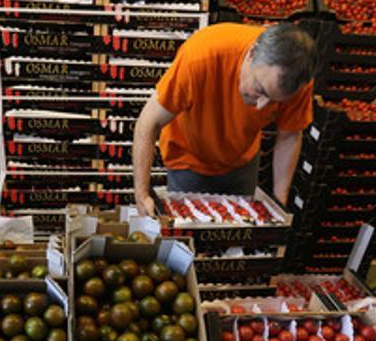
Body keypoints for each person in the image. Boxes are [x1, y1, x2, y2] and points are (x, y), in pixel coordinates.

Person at [133, 22, 317, 217]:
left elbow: (289, 136)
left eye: (274, 101)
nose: (262, 106)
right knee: (189, 240)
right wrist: (142, 194)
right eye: (261, 91)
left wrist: (280, 204)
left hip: (242, 161)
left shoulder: (295, 78)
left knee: (238, 239)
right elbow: (148, 122)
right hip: (189, 159)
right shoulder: (201, 56)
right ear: (252, 54)